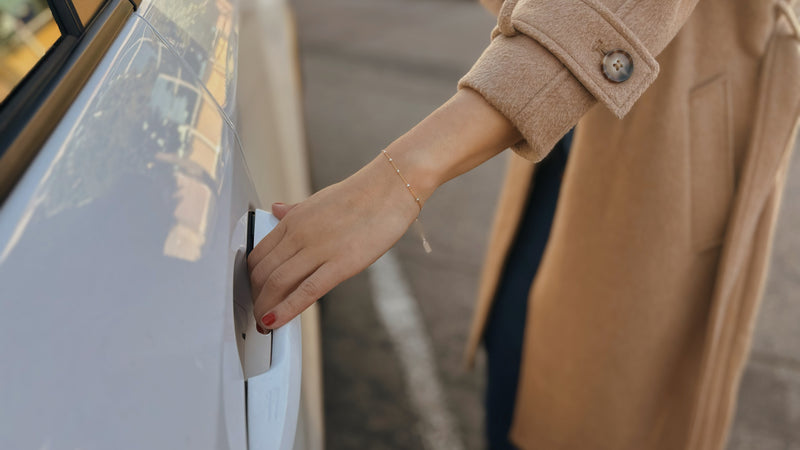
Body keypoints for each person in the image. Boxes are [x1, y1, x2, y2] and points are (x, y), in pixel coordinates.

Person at [248, 0, 800, 449]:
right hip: (576, 105)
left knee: (596, 405)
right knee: (523, 361)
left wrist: (397, 178)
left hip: (680, 120)